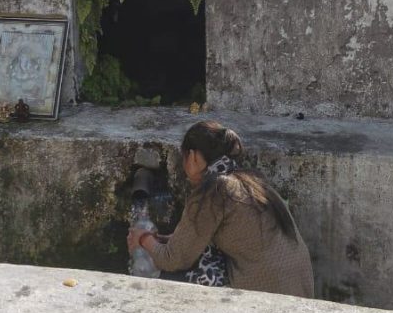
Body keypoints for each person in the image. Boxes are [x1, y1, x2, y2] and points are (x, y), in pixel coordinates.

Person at [127, 121, 314, 298]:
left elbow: (172, 259)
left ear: (193, 157)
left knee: (167, 284)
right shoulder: (251, 179)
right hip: (299, 289)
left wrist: (142, 239)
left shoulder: (213, 190)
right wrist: (161, 240)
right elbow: (193, 240)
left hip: (266, 296)